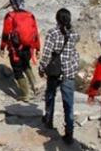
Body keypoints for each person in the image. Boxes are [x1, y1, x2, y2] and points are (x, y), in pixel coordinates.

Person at [39, 8, 80, 145]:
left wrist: (42, 67)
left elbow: (46, 53)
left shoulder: (53, 33)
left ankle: (48, 120)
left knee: (50, 95)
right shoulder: (74, 33)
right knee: (69, 104)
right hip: (69, 71)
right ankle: (69, 133)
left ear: (57, 19)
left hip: (55, 71)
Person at [0, 0, 41, 102]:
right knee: (26, 65)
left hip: (15, 50)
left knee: (17, 70)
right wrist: (38, 48)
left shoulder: (10, 16)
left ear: (12, 3)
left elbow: (5, 33)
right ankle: (35, 85)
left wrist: (2, 47)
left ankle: (25, 94)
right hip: (28, 48)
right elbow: (35, 33)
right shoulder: (30, 15)